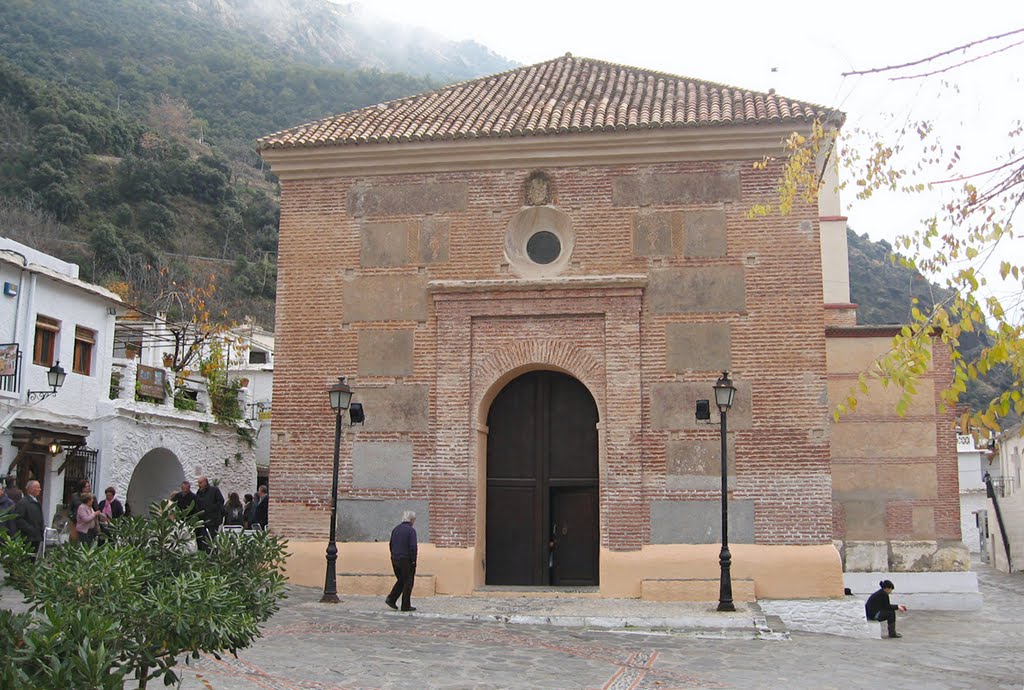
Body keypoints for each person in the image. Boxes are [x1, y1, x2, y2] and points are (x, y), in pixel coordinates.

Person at [385, 510, 418, 612]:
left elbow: (391, 544)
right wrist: (413, 560)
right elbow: (413, 547)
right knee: (408, 582)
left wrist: (393, 555)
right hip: (406, 559)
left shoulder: (396, 529)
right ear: (411, 520)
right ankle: (405, 606)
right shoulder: (411, 531)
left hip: (395, 559)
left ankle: (391, 599)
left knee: (401, 580)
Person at [14, 480, 43, 559]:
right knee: (27, 559)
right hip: (28, 537)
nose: (40, 489)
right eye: (38, 487)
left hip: (36, 536)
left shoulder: (36, 502)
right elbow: (18, 518)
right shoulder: (23, 502)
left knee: (33, 559)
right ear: (31, 489)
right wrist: (31, 529)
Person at [194, 476, 224, 551]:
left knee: (211, 540)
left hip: (212, 521)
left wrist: (211, 509)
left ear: (205, 482)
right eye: (198, 483)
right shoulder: (199, 492)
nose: (199, 485)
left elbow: (220, 502)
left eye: (200, 483)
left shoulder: (214, 490)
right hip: (202, 521)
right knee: (202, 541)